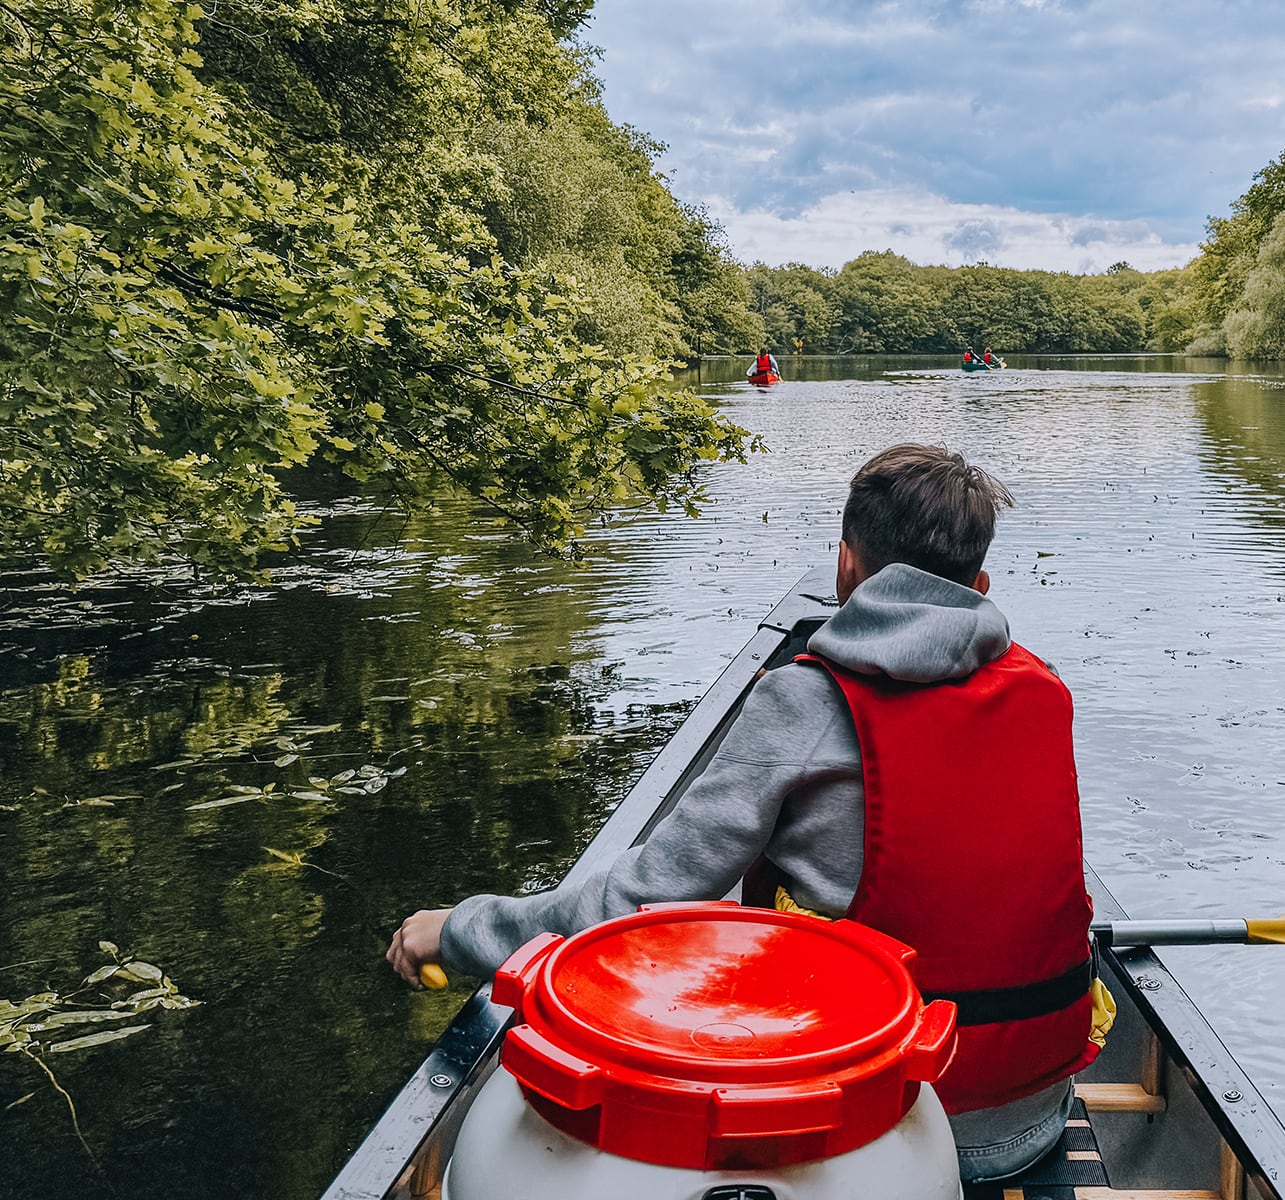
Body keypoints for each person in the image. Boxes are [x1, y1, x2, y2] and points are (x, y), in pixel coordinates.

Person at [388, 444, 1105, 1184]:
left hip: (880, 1137)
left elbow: (634, 906)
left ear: (846, 569)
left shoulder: (805, 700)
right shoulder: (1040, 687)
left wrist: (461, 928)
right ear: (979, 586)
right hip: (1032, 1109)